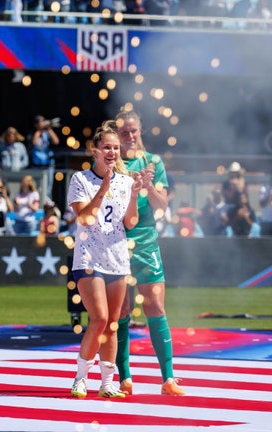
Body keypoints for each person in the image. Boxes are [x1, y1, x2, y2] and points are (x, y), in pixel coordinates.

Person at [114, 107, 185, 396]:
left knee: (155, 305)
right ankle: (124, 378)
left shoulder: (153, 161)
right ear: (117, 134)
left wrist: (147, 185)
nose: (129, 136)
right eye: (123, 132)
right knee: (122, 311)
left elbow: (162, 205)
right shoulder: (113, 160)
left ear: (140, 131)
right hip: (115, 241)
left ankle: (168, 377)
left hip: (145, 241)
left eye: (133, 130)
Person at [68, 120, 141, 400]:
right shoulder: (81, 179)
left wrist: (133, 195)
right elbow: (85, 217)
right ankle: (80, 378)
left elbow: (131, 222)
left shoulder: (126, 182)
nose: (111, 152)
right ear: (94, 151)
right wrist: (103, 188)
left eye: (115, 148)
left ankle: (108, 383)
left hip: (117, 258)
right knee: (98, 319)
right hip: (89, 257)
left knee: (112, 322)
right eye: (106, 148)